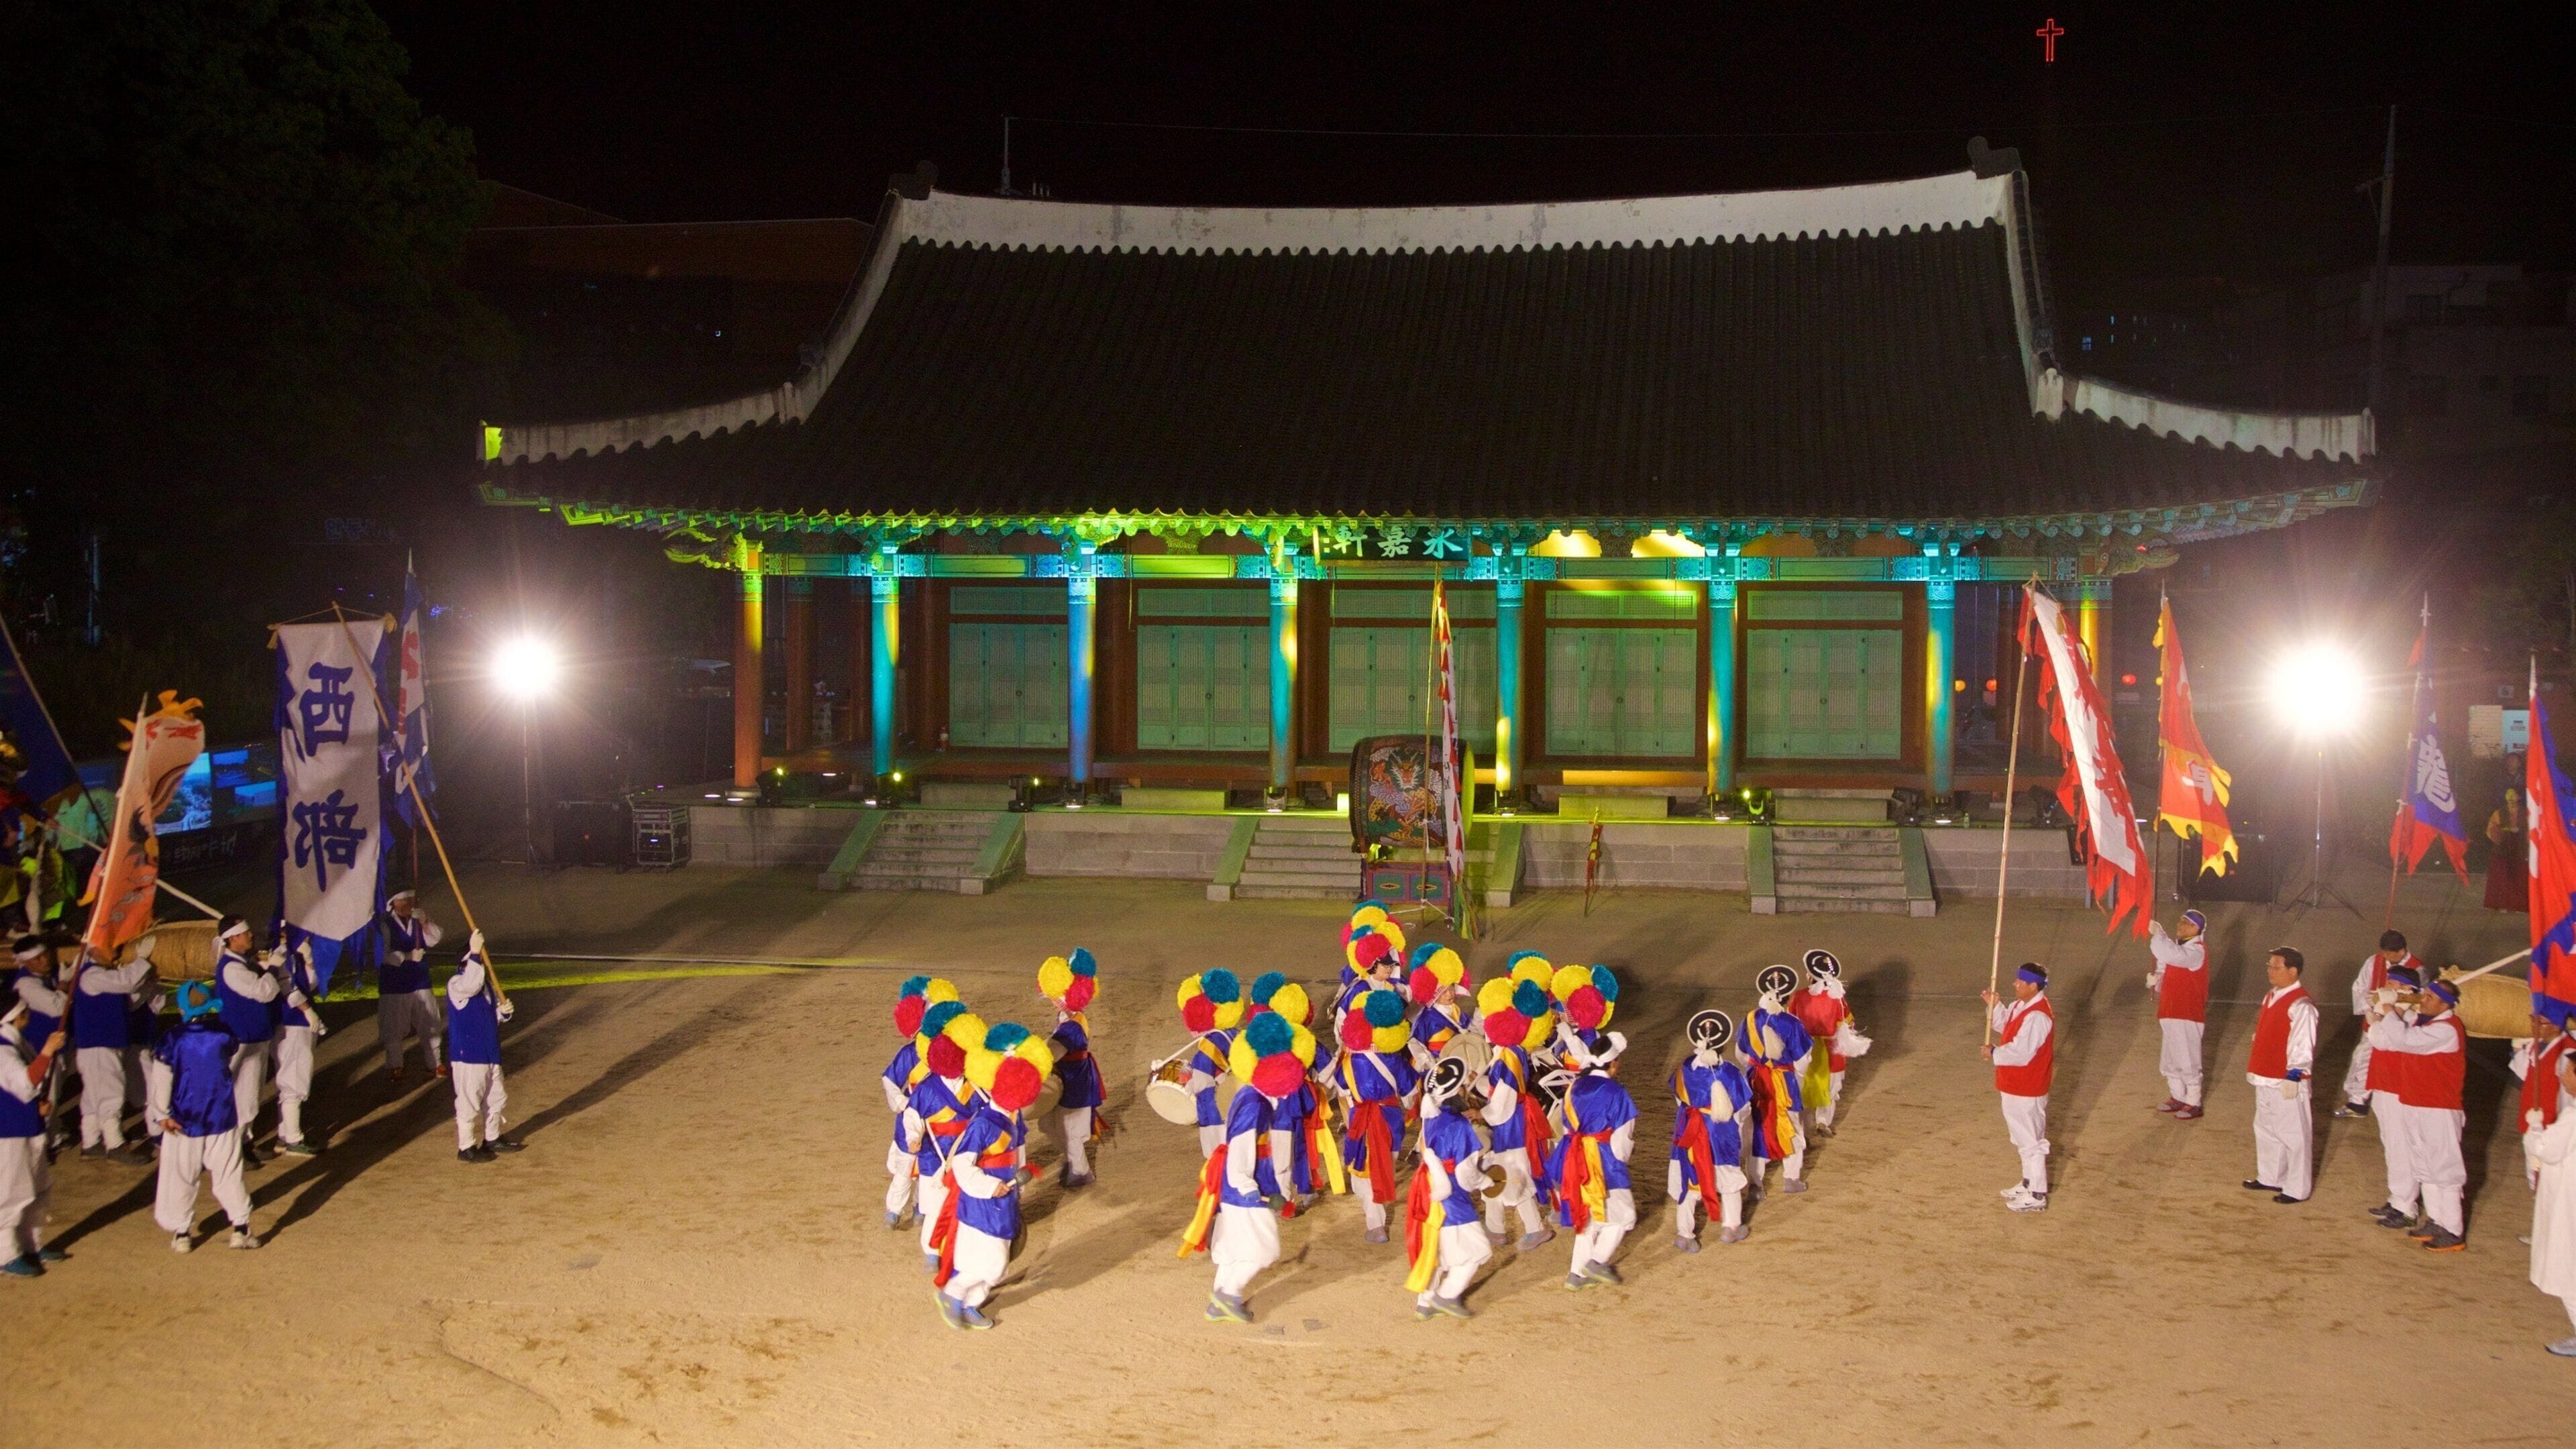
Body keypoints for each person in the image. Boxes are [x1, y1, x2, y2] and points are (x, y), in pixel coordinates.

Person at [1183, 1021, 1309, 1325]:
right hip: (1247, 1190)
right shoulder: (1257, 1105)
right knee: (1264, 1251)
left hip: (1239, 1186)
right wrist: (1247, 1186)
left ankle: (1221, 1297)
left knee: (1235, 1249)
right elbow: (1241, 1146)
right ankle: (1226, 1297)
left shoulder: (1249, 1093)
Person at [930, 1023, 1049, 1330]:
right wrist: (990, 1186)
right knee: (994, 1265)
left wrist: (1019, 1180)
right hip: (982, 1201)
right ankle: (952, 1294)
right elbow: (962, 1165)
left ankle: (971, 1304)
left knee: (993, 1257)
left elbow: (1018, 1148)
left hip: (1005, 1198)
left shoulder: (1014, 1115)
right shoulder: (982, 1124)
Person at [2366, 975, 2469, 1251]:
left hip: (2439, 1109)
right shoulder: (2425, 1022)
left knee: (2445, 1170)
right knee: (2426, 1166)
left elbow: (2403, 1040)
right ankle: (2437, 1220)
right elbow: (2389, 1038)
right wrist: (2380, 1011)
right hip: (2417, 1105)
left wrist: (2389, 1009)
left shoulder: (2447, 1029)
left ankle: (2453, 1229)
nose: (2423, 1000)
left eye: (2431, 998)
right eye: (2425, 995)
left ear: (2446, 1005)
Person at [152, 981, 256, 1252]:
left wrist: (161, 1113)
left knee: (181, 1175)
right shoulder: (224, 1034)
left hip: (183, 1118)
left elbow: (162, 1077)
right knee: (228, 1172)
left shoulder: (172, 1038)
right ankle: (240, 1229)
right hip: (221, 1115)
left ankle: (182, 1233)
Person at [1548, 1028, 1638, 1288]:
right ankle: (1596, 1261)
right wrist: (1620, 1160)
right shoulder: (1615, 1092)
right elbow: (1623, 1137)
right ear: (1611, 1063)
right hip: (1604, 1160)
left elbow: (1566, 1125)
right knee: (1624, 1216)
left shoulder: (1575, 1085)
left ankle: (1576, 1274)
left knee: (1588, 1217)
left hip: (1575, 1157)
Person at [1404, 1057, 1493, 1320]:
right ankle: (1446, 1295)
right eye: (1465, 1085)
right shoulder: (1459, 1125)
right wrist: (1486, 1181)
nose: (1468, 1089)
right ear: (1457, 1091)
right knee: (1478, 1252)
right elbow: (1466, 1176)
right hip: (1453, 1199)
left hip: (1430, 1191)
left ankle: (1426, 1301)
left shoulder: (1432, 1116)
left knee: (1439, 1251)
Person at [901, 1008, 984, 1273]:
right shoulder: (926, 1090)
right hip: (934, 1159)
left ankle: (957, 1248)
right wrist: (914, 1138)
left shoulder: (975, 1085)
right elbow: (911, 1118)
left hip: (965, 1156)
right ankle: (931, 1252)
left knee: (962, 1204)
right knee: (936, 1209)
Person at [211, 920, 299, 1169]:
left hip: (254, 1037)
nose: (250, 935)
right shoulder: (231, 968)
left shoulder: (242, 964)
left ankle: (246, 1141)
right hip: (242, 1039)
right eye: (244, 933)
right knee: (242, 1096)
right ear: (231, 939)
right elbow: (264, 992)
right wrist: (271, 970)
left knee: (251, 1096)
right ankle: (234, 1149)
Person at [1474, 980, 1555, 1252]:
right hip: (1513, 1120)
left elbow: (1502, 1103)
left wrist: (1480, 1111)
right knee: (1496, 1173)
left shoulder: (1507, 1057)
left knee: (1512, 1174)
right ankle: (1495, 1228)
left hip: (1510, 1126)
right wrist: (1480, 1083)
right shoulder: (1512, 1051)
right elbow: (1500, 1090)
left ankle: (1535, 1229)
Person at [1334, 986, 1418, 1244]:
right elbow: (1411, 1094)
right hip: (1392, 1123)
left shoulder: (1348, 1063)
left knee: (1365, 1174)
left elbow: (1342, 1091)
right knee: (1383, 1168)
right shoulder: (1395, 1060)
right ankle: (1376, 1218)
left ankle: (1376, 1226)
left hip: (1361, 1122)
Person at [2242, 946, 2320, 1204]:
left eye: (2276, 967)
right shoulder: (2271, 996)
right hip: (2264, 1075)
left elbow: (2303, 1042)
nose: (2270, 971)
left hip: (2286, 1079)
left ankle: (2297, 1189)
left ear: (2293, 971)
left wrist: (2295, 1073)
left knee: (2294, 1134)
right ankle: (2271, 1176)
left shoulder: (2302, 1004)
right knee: (2265, 1128)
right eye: (2269, 966)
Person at [1670, 1009, 1753, 1250]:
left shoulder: (1685, 1068)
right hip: (1721, 1134)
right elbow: (1744, 1107)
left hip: (1689, 1132)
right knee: (1728, 1178)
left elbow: (1679, 1099)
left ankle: (1685, 1235)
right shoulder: (1730, 1072)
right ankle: (1731, 1227)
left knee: (1689, 1180)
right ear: (1723, 1044)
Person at [0, 989, 68, 1276]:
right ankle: (6, 1254)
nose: (29, 1012)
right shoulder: (3, 1050)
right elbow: (26, 1082)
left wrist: (38, 1105)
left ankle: (32, 1244)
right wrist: (48, 1051)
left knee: (38, 1189)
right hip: (10, 1131)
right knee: (11, 1194)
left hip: (28, 1125)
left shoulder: (17, 1043)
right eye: (25, 1010)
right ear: (15, 1017)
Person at [68, 943, 156, 1163]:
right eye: (111, 948)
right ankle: (115, 1145)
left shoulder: (106, 976)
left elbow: (131, 1001)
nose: (116, 953)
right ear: (93, 951)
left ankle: (91, 1142)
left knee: (93, 1097)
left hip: (104, 1046)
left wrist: (148, 983)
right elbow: (126, 982)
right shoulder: (92, 976)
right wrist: (142, 960)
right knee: (111, 1094)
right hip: (98, 1047)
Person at [1984, 963, 2055, 1212]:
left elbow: (2023, 1052)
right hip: (2014, 1083)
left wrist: (1994, 1052)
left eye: (2019, 982)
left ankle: (2037, 1194)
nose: (2015, 984)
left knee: (2032, 1141)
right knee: (2021, 1137)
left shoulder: (2038, 1016)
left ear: (2033, 986)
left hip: (2028, 1086)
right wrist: (1995, 1006)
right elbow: (2007, 1027)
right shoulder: (2021, 1006)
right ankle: (2028, 1183)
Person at [445, 932, 521, 1163]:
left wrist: (503, 1014)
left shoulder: (485, 986)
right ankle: (466, 1146)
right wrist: (476, 952)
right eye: (477, 960)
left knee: (496, 1096)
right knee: (469, 1100)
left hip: (489, 1052)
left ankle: (492, 1137)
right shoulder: (457, 984)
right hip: (469, 1055)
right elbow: (471, 984)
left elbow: (488, 1017)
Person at [881, 977, 950, 1228]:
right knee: (904, 1172)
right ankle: (894, 1210)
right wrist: (901, 1102)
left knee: (928, 1171)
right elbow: (889, 1080)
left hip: (937, 1124)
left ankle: (921, 1208)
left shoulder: (949, 1052)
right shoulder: (910, 1054)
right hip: (910, 1120)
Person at [2522, 1046, 2576, 1356]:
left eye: (2568, 1069)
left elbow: (2546, 1150)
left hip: (2567, 1201)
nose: (2562, 1075)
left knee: (2568, 1268)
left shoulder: (2572, 1117)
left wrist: (2536, 1128)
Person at [1743, 965, 1812, 1197]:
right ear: (1787, 996)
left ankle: (1755, 1183)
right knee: (1791, 1127)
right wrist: (1795, 1077)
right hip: (1785, 1084)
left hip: (1757, 1082)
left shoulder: (1751, 1019)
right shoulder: (1793, 1023)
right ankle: (1791, 1178)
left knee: (1757, 1129)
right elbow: (1803, 1060)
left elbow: (1742, 1054)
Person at [2339, 931, 2422, 1118]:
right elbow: (2360, 987)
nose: (2384, 957)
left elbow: (2420, 1000)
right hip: (2374, 1023)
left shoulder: (2418, 969)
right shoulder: (2374, 961)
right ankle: (2357, 1103)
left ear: (2401, 951)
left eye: (2388, 954)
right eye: (2383, 953)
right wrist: (2369, 1007)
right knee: (2362, 1060)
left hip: (2399, 1029)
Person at [1038, 951, 1104, 1189]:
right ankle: (1071, 1159)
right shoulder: (1067, 1016)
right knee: (1048, 1125)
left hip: (1076, 1081)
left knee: (1071, 1129)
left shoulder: (1073, 1026)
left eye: (1059, 996)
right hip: (1067, 1077)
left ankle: (1080, 1171)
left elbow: (1051, 1053)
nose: (1054, 999)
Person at [1789, 950, 1866, 1137]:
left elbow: (1791, 1021)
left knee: (1805, 1089)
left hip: (1806, 1050)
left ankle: (1804, 1130)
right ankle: (1823, 1122)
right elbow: (1849, 1023)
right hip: (1832, 1050)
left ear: (1809, 975)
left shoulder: (1799, 996)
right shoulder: (1837, 997)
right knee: (1831, 1089)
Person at [2145, 910, 2210, 1120]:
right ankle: (2177, 1096)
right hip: (2170, 1011)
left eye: (2186, 923)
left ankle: (2194, 1102)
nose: (2180, 925)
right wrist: (2155, 981)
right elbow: (2165, 967)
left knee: (2188, 1059)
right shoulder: (2180, 949)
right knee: (2170, 1058)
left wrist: (2159, 934)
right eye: (2180, 920)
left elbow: (2170, 954)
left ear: (2196, 928)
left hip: (2187, 1013)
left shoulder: (2196, 952)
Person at [376, 890, 445, 1082]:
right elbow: (383, 954)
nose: (410, 904)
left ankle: (435, 1063)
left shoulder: (417, 920)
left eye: (412, 901)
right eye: (406, 901)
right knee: (394, 1027)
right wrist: (407, 957)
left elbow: (435, 938)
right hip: (395, 984)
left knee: (429, 1022)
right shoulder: (385, 924)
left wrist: (425, 922)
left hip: (420, 980)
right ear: (395, 902)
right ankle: (396, 1065)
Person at [9, 934, 66, 1148]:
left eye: (45, 955)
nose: (45, 961)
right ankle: (42, 1143)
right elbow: (57, 1007)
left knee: (54, 1094)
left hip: (52, 1046)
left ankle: (52, 1136)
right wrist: (63, 986)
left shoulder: (43, 977)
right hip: (39, 1048)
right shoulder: (27, 984)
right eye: (38, 958)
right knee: (45, 1096)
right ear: (24, 961)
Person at [272, 941, 328, 1157]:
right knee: (294, 1081)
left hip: (299, 1024)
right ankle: (293, 1139)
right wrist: (307, 1010)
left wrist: (310, 961)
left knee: (289, 1082)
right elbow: (288, 989)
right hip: (292, 1024)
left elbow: (309, 984)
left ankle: (285, 1136)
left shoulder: (295, 954)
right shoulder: (281, 955)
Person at [2487, 787, 2530, 913]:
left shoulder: (2526, 812)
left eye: (2514, 795)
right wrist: (2505, 832)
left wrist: (2526, 838)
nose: (2511, 798)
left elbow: (2532, 828)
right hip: (2503, 849)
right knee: (2503, 877)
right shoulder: (2499, 813)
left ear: (2520, 797)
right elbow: (2491, 829)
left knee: (2520, 878)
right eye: (2508, 794)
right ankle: (2503, 905)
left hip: (2520, 848)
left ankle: (2520, 906)